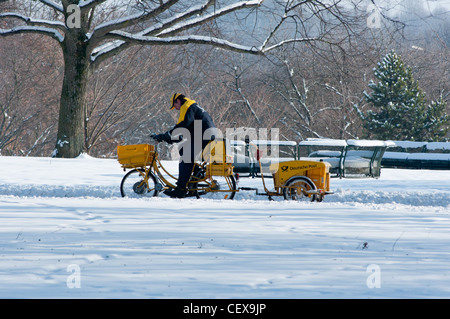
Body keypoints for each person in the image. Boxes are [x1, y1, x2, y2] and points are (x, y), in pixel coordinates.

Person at [152, 93, 217, 198]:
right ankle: (195, 176)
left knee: (185, 159)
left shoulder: (186, 106)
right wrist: (168, 139)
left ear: (178, 101)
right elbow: (184, 130)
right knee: (182, 149)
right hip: (203, 134)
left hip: (204, 135)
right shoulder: (191, 106)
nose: (176, 109)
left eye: (175, 106)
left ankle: (181, 189)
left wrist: (165, 136)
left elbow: (182, 125)